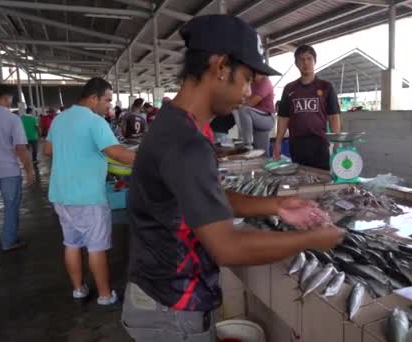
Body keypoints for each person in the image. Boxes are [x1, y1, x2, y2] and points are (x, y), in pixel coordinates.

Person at [121, 15, 344, 341]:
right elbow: (227, 247)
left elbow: (207, 198)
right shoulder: (186, 142)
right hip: (171, 311)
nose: (250, 91)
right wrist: (313, 240)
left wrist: (277, 206)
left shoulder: (180, 125)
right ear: (221, 67)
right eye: (248, 79)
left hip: (160, 300)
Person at [44, 77, 136, 305]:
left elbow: (47, 150)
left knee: (71, 243)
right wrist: (151, 159)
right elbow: (116, 153)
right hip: (87, 197)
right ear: (93, 98)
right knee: (96, 247)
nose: (109, 105)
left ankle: (78, 289)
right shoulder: (94, 121)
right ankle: (105, 296)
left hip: (61, 194)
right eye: (107, 100)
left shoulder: (59, 119)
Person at [0, 84, 35, 253]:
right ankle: (8, 241)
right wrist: (29, 170)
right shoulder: (11, 119)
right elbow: (21, 148)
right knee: (11, 205)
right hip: (8, 171)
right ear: (4, 97)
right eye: (10, 98)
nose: (11, 102)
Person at [274, 45, 342, 170]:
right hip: (296, 143)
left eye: (309, 59)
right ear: (296, 63)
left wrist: (337, 143)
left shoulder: (326, 87)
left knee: (322, 179)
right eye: (301, 59)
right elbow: (283, 118)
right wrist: (278, 143)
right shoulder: (289, 89)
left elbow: (333, 116)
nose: (305, 63)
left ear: (314, 61)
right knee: (300, 179)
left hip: (319, 143)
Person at [236, 73, 276, 155]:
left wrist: (238, 105)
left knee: (243, 110)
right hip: (256, 117)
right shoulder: (251, 83)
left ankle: (247, 143)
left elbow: (252, 102)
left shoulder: (265, 82)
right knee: (262, 153)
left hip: (267, 118)